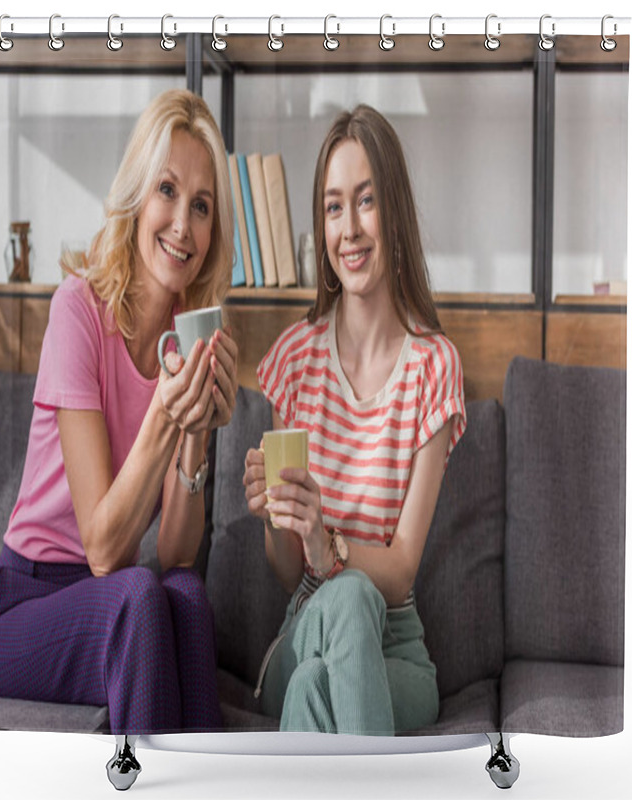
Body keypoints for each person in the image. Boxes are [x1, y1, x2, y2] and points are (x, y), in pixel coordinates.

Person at [0, 89, 238, 735]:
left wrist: (199, 434)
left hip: (110, 593)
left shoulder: (188, 337)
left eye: (202, 206)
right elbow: (103, 549)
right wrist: (165, 411)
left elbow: (178, 550)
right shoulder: (79, 310)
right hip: (27, 601)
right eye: (168, 190)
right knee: (137, 596)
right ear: (136, 196)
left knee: (183, 595)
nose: (183, 223)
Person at [243, 104, 466, 736]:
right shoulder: (295, 360)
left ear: (393, 211)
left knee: (320, 681)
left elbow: (397, 573)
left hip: (397, 651)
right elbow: (291, 572)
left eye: (365, 201)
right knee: (337, 605)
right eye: (334, 207)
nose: (349, 229)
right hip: (301, 634)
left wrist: (326, 544)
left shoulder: (434, 370)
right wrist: (275, 524)